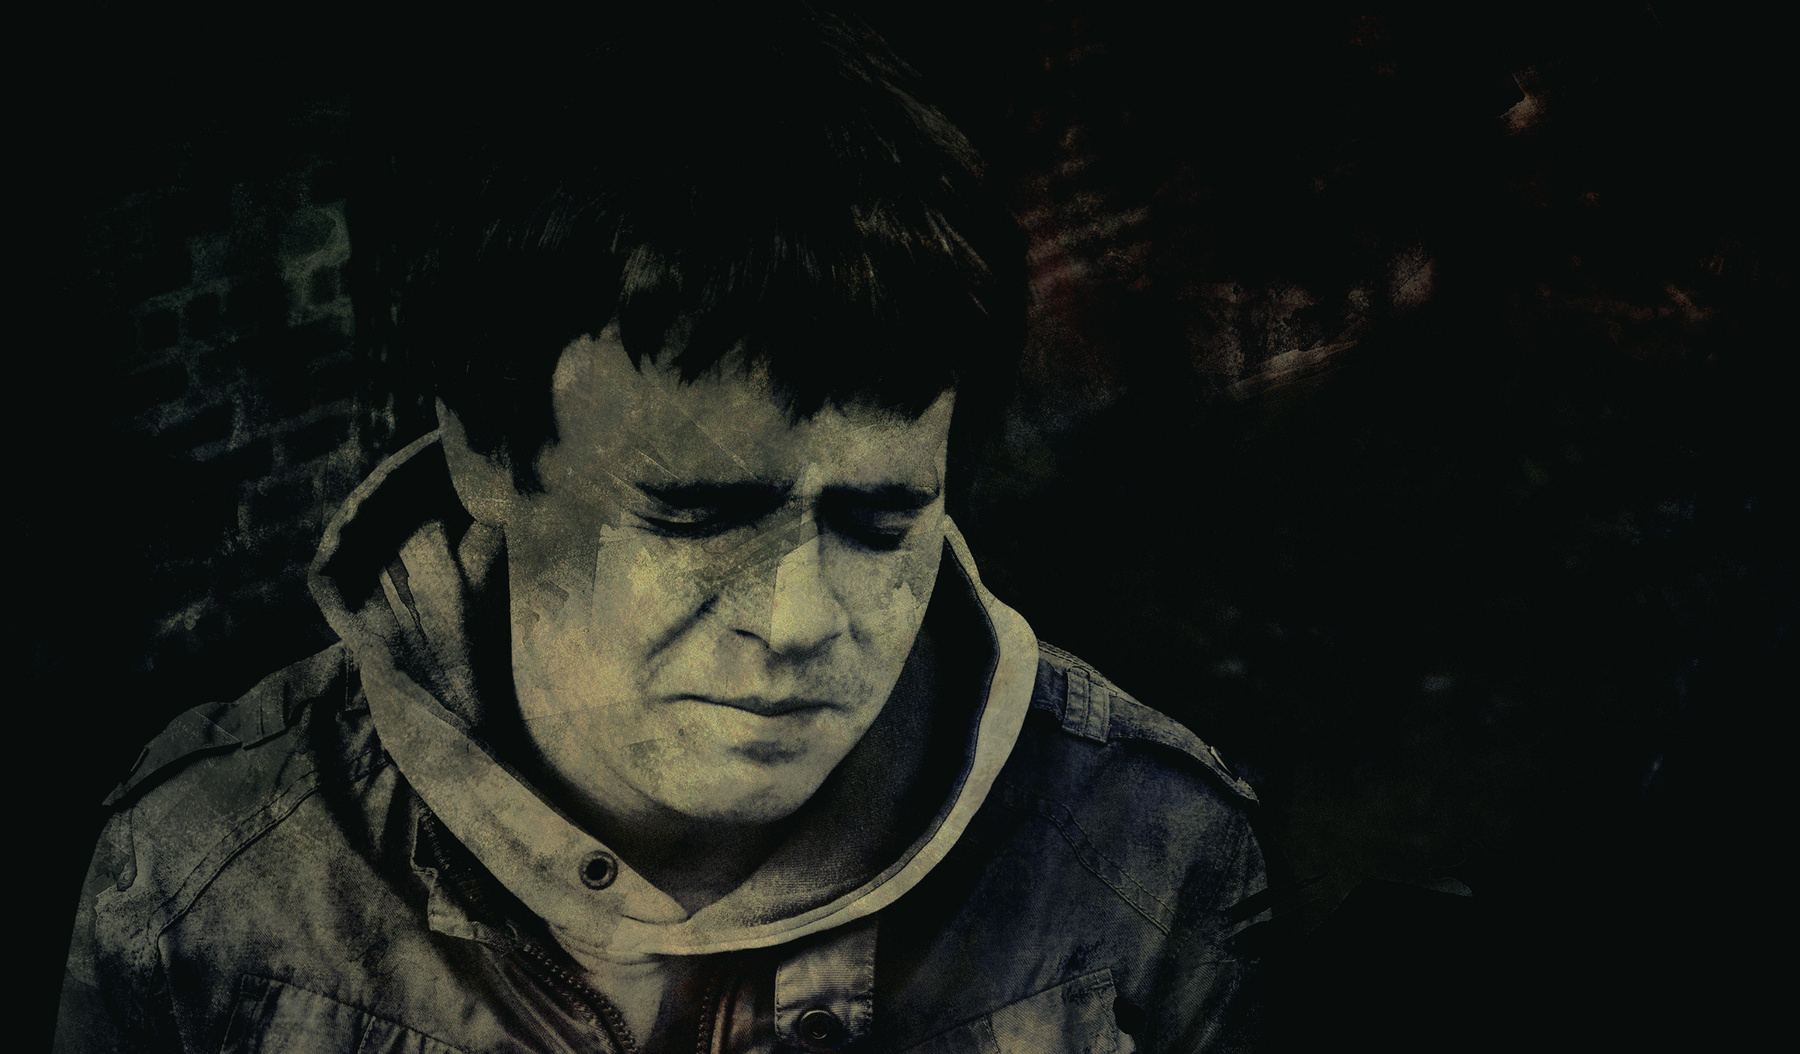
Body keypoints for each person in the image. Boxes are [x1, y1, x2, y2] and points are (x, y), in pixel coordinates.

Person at [54, 7, 1267, 1051]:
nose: (796, 622)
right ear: (485, 454)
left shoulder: (1150, 860)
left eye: (879, 521)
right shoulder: (204, 885)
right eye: (697, 515)